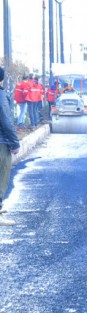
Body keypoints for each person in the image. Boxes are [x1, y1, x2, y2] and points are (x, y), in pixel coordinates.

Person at [0, 66, 21, 226]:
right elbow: (6, 121)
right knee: (2, 177)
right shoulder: (1, 95)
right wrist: (14, 143)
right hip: (1, 143)